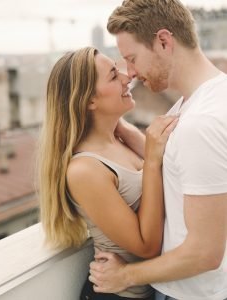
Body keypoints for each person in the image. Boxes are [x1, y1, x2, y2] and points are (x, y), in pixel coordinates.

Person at [89, 1, 227, 300]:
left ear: (163, 41)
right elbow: (178, 165)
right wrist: (116, 125)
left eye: (132, 58)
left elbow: (204, 252)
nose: (132, 73)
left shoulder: (199, 124)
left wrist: (124, 275)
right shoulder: (207, 99)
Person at [38, 46, 178, 299]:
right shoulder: (85, 170)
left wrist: (131, 134)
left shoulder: (119, 140)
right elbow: (146, 246)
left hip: (157, 290)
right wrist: (153, 160)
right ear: (89, 100)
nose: (128, 77)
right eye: (114, 76)